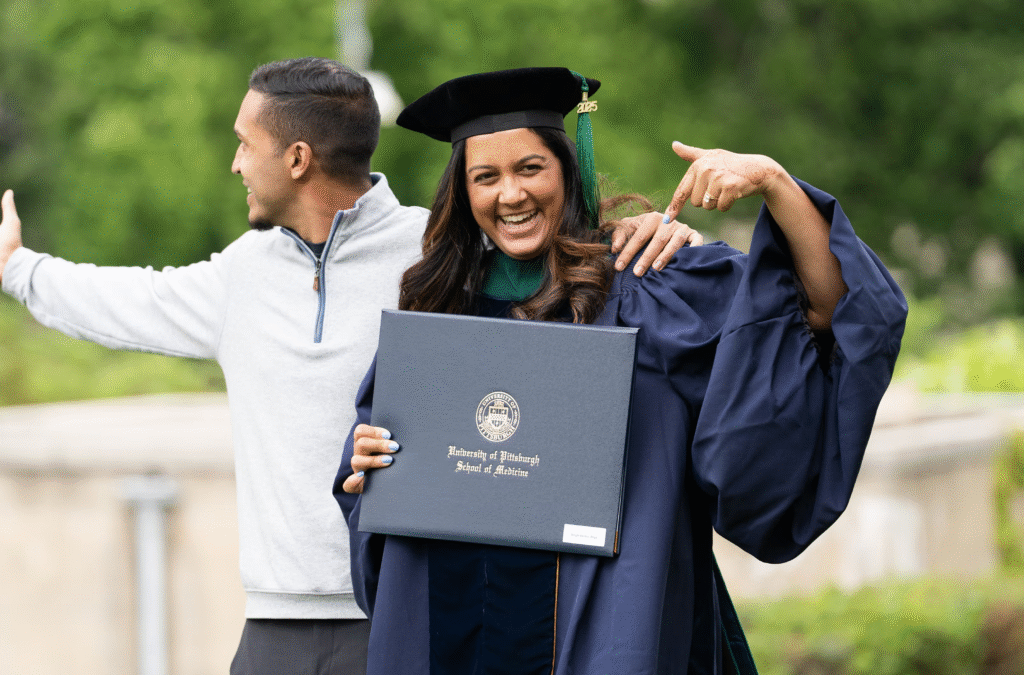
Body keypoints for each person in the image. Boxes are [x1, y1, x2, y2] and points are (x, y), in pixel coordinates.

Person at [0, 58, 701, 675]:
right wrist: (18, 268)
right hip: (272, 623)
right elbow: (127, 299)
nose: (236, 162)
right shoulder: (240, 275)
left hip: (403, 615)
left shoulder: (441, 256)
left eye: (246, 144)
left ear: (297, 156)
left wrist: (656, 234)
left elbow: (559, 260)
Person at [335, 67, 908, 675]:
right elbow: (384, 463)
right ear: (464, 191)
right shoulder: (441, 310)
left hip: (616, 622)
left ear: (567, 169)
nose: (511, 194)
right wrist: (370, 456)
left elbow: (828, 310)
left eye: (531, 168)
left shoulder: (652, 282)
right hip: (455, 621)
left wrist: (773, 181)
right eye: (487, 176)